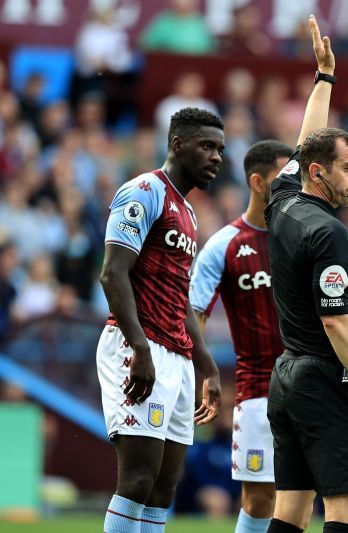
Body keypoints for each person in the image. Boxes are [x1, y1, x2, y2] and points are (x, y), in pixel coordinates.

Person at [264, 15, 348, 533]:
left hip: (286, 375)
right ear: (320, 173)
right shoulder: (331, 234)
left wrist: (325, 77)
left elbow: (306, 141)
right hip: (323, 377)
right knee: (347, 512)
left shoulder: (282, 198)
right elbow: (337, 322)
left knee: (290, 513)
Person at [96, 107, 224, 533]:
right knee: (136, 480)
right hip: (139, 345)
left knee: (163, 489)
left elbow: (179, 296)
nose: (216, 157)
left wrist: (205, 363)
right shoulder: (144, 191)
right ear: (176, 144)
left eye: (220, 149)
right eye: (207, 146)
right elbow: (113, 273)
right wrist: (139, 347)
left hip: (178, 356)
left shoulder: (187, 212)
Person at [189, 140, 292, 533]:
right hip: (257, 391)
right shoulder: (224, 245)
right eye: (284, 178)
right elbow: (194, 312)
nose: (294, 187)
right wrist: (204, 373)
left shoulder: (303, 236)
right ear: (258, 182)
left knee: (333, 492)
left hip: (311, 385)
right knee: (260, 498)